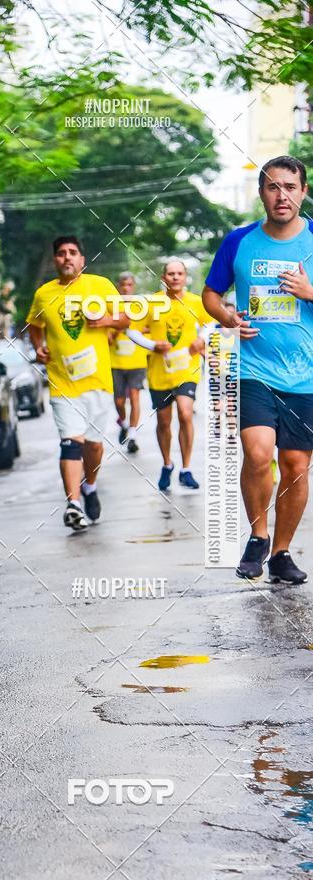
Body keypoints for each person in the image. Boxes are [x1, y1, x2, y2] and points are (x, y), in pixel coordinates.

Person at [203, 155, 313, 584]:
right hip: (252, 369)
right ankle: (258, 535)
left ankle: (282, 553)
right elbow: (211, 294)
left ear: (303, 192)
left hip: (305, 374)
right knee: (258, 453)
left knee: (296, 465)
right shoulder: (240, 241)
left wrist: (309, 291)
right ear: (261, 193)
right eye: (272, 187)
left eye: (290, 186)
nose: (281, 195)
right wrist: (227, 318)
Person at [26, 235, 125, 530]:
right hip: (62, 383)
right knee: (70, 443)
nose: (66, 257)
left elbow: (125, 319)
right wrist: (37, 346)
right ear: (55, 260)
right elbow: (34, 324)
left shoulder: (100, 286)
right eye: (60, 253)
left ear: (82, 259)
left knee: (93, 446)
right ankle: (73, 504)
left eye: (72, 253)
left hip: (97, 383)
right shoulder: (44, 294)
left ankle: (90, 486)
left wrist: (107, 320)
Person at [126, 258, 213, 490]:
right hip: (159, 372)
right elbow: (131, 331)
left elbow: (212, 322)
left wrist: (200, 339)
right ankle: (167, 464)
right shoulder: (152, 303)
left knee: (185, 414)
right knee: (164, 422)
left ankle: (186, 469)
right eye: (171, 274)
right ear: (163, 278)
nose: (175, 277)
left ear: (185, 278)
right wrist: (152, 345)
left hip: (187, 369)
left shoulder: (196, 302)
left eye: (179, 273)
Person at [109, 271, 149, 453]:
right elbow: (108, 339)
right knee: (118, 401)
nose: (126, 288)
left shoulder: (141, 308)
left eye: (129, 285)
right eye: (123, 285)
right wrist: (119, 327)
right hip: (115, 362)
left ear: (134, 286)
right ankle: (124, 423)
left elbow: (150, 329)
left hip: (137, 361)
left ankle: (132, 436)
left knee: (134, 397)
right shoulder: (111, 307)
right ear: (118, 286)